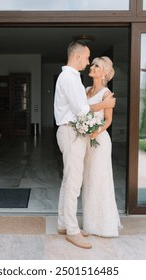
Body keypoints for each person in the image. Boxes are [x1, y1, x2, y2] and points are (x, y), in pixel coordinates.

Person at [54, 41, 116, 249]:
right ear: (78, 56)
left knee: (69, 181)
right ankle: (72, 230)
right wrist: (105, 105)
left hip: (73, 132)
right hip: (71, 132)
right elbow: (81, 110)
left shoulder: (72, 78)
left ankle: (64, 223)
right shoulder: (69, 78)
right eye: (88, 58)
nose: (89, 62)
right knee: (73, 183)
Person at [82, 56, 121, 237]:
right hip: (85, 141)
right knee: (88, 179)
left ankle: (103, 224)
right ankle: (89, 222)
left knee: (99, 179)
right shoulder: (86, 90)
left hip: (99, 141)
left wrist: (96, 131)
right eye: (92, 64)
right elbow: (81, 111)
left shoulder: (107, 94)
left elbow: (108, 120)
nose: (92, 67)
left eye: (96, 66)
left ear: (104, 72)